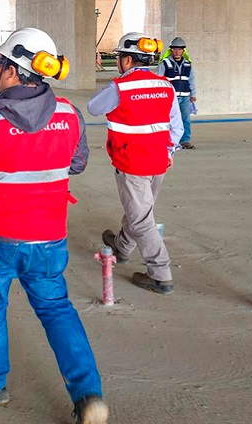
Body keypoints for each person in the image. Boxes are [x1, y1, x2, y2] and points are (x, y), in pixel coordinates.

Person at [0, 27, 108, 424]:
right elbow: (77, 163)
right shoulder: (69, 114)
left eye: (0, 63)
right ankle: (88, 396)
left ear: (14, 70)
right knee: (56, 308)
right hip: (49, 235)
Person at [88, 32, 184, 295]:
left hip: (131, 164)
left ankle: (160, 274)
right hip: (158, 162)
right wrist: (169, 151)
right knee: (140, 209)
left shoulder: (120, 88)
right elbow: (177, 126)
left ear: (126, 60)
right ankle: (121, 247)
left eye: (119, 58)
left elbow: (93, 108)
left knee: (141, 218)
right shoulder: (165, 86)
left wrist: (116, 85)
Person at [156, 36, 196, 149]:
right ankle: (169, 140)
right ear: (171, 50)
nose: (177, 51)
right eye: (174, 49)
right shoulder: (165, 63)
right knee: (169, 119)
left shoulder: (187, 64)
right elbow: (158, 80)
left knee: (185, 119)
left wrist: (193, 94)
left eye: (179, 49)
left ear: (183, 51)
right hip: (170, 98)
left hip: (185, 96)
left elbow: (191, 80)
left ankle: (185, 141)